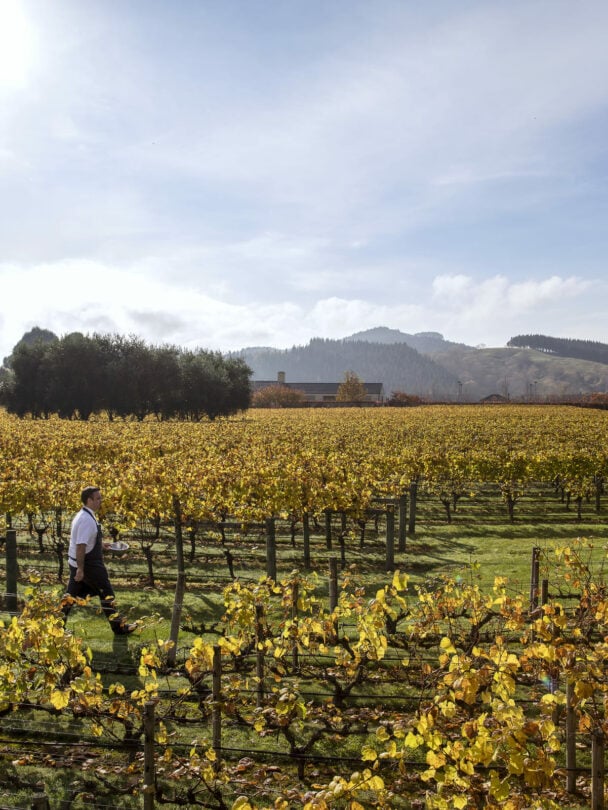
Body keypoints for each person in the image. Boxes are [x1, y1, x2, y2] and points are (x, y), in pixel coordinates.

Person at [62, 486, 135, 635]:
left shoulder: (85, 515)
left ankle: (54, 626)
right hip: (88, 565)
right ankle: (119, 628)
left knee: (70, 598)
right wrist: (81, 569)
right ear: (89, 500)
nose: (100, 501)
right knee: (106, 593)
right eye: (97, 498)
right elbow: (80, 546)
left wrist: (101, 544)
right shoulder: (85, 520)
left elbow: (85, 540)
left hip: (80, 563)